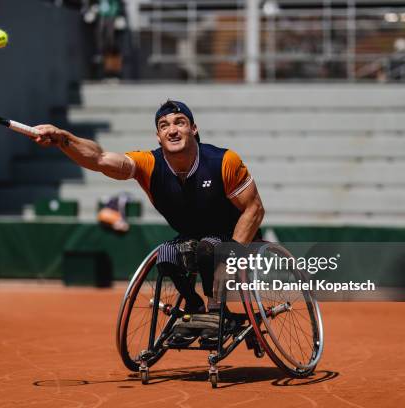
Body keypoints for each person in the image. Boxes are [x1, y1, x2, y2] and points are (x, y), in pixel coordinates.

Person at [32, 100, 264, 347]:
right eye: (164, 126)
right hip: (190, 235)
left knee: (208, 248)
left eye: (179, 123)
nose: (172, 130)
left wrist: (232, 256)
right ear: (158, 136)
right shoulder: (150, 165)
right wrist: (63, 139)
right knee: (165, 253)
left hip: (230, 234)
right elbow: (99, 158)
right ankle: (194, 306)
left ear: (194, 129)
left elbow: (254, 209)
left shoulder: (223, 161)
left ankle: (216, 311)